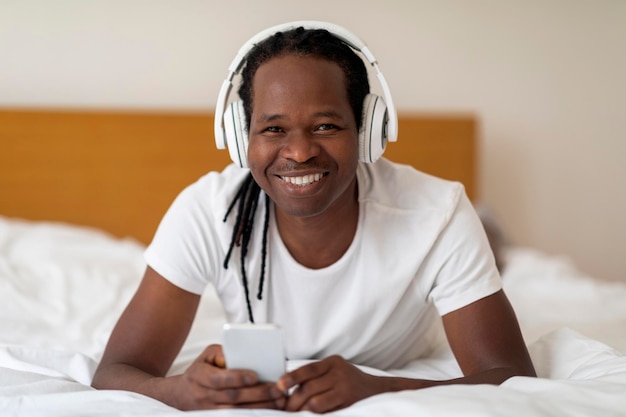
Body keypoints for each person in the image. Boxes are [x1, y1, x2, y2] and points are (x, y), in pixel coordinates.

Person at [91, 21, 535, 413]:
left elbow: (510, 377)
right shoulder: (208, 211)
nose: (300, 152)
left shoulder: (438, 214)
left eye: (325, 126)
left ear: (367, 132)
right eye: (273, 129)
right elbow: (116, 372)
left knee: (484, 238)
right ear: (237, 136)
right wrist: (179, 392)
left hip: (411, 319)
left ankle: (492, 238)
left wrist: (379, 387)